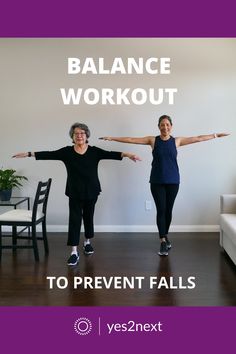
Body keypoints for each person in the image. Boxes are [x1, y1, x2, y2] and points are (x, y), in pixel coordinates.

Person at [100, 115, 229, 256]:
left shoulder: (177, 141)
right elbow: (132, 140)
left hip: (173, 181)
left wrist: (216, 135)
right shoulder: (153, 140)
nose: (165, 127)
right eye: (162, 124)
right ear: (159, 126)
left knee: (168, 211)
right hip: (157, 181)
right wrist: (112, 138)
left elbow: (197, 138)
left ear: (171, 126)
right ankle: (162, 241)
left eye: (167, 124)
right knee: (161, 210)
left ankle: (165, 235)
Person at [13, 123, 141, 266]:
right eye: (76, 134)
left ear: (86, 136)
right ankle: (74, 251)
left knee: (88, 216)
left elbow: (111, 154)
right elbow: (49, 154)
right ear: (72, 137)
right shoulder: (66, 152)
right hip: (74, 191)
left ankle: (87, 242)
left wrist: (128, 154)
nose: (79, 136)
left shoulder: (94, 151)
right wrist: (29, 154)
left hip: (92, 190)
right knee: (74, 220)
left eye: (82, 133)